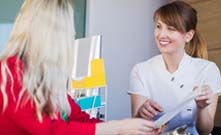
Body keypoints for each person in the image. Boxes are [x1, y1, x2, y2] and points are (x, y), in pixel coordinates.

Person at [0, 0, 160, 134]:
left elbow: (80, 119)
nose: (71, 37)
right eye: (67, 31)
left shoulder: (46, 78)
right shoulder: (9, 71)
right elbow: (50, 130)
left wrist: (132, 128)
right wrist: (117, 128)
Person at [128, 1, 221, 135]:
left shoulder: (207, 70)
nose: (161, 35)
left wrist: (202, 108)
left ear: (188, 36)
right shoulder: (140, 70)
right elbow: (136, 128)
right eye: (158, 26)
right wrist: (141, 113)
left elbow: (205, 131)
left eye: (171, 29)